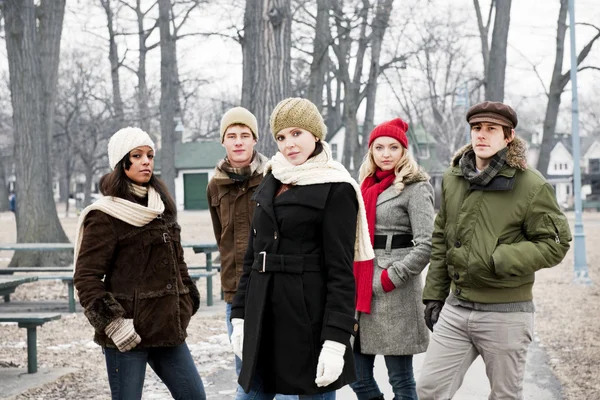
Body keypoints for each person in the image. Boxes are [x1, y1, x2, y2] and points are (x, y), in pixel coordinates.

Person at [417, 101, 572, 399]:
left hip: (506, 314)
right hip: (457, 308)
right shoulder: (453, 179)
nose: (482, 135)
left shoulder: (531, 184)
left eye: (491, 129)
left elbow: (555, 243)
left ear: (508, 136)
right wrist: (435, 295)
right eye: (477, 128)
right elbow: (441, 240)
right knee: (428, 391)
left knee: (505, 396)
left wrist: (498, 259)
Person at [230, 97, 375, 399]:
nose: (288, 144)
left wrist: (336, 340)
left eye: (297, 133)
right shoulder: (272, 177)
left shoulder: (337, 187)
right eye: (281, 137)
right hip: (262, 313)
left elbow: (341, 273)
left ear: (315, 134)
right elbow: (251, 258)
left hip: (307, 319)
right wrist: (241, 315)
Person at [73, 127, 206, 400]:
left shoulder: (161, 207)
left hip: (167, 327)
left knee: (194, 397)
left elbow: (177, 263)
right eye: (137, 155)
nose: (146, 161)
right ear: (122, 162)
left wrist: (188, 299)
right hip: (127, 334)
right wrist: (113, 323)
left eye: (150, 155)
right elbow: (86, 278)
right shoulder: (105, 215)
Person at [207, 107, 295, 400]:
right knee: (248, 378)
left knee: (283, 374)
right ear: (223, 141)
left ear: (255, 139)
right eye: (231, 136)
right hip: (237, 294)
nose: (238, 142)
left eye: (245, 135)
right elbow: (221, 235)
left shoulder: (276, 177)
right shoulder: (214, 185)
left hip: (275, 289)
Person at [349, 118, 434, 400]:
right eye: (379, 147)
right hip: (360, 287)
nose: (386, 153)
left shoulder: (415, 187)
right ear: (371, 151)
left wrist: (389, 277)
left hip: (393, 291)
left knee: (401, 381)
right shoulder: (364, 187)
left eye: (393, 147)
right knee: (357, 377)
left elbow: (426, 244)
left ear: (403, 151)